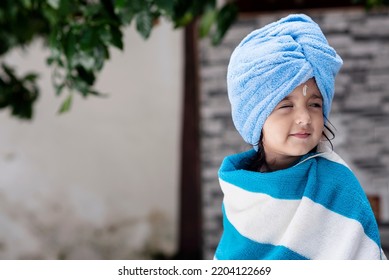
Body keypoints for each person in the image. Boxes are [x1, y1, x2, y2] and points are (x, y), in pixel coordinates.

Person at [214, 14, 387, 260]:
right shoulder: (241, 188)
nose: (304, 118)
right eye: (286, 106)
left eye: (314, 105)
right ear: (255, 116)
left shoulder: (338, 185)